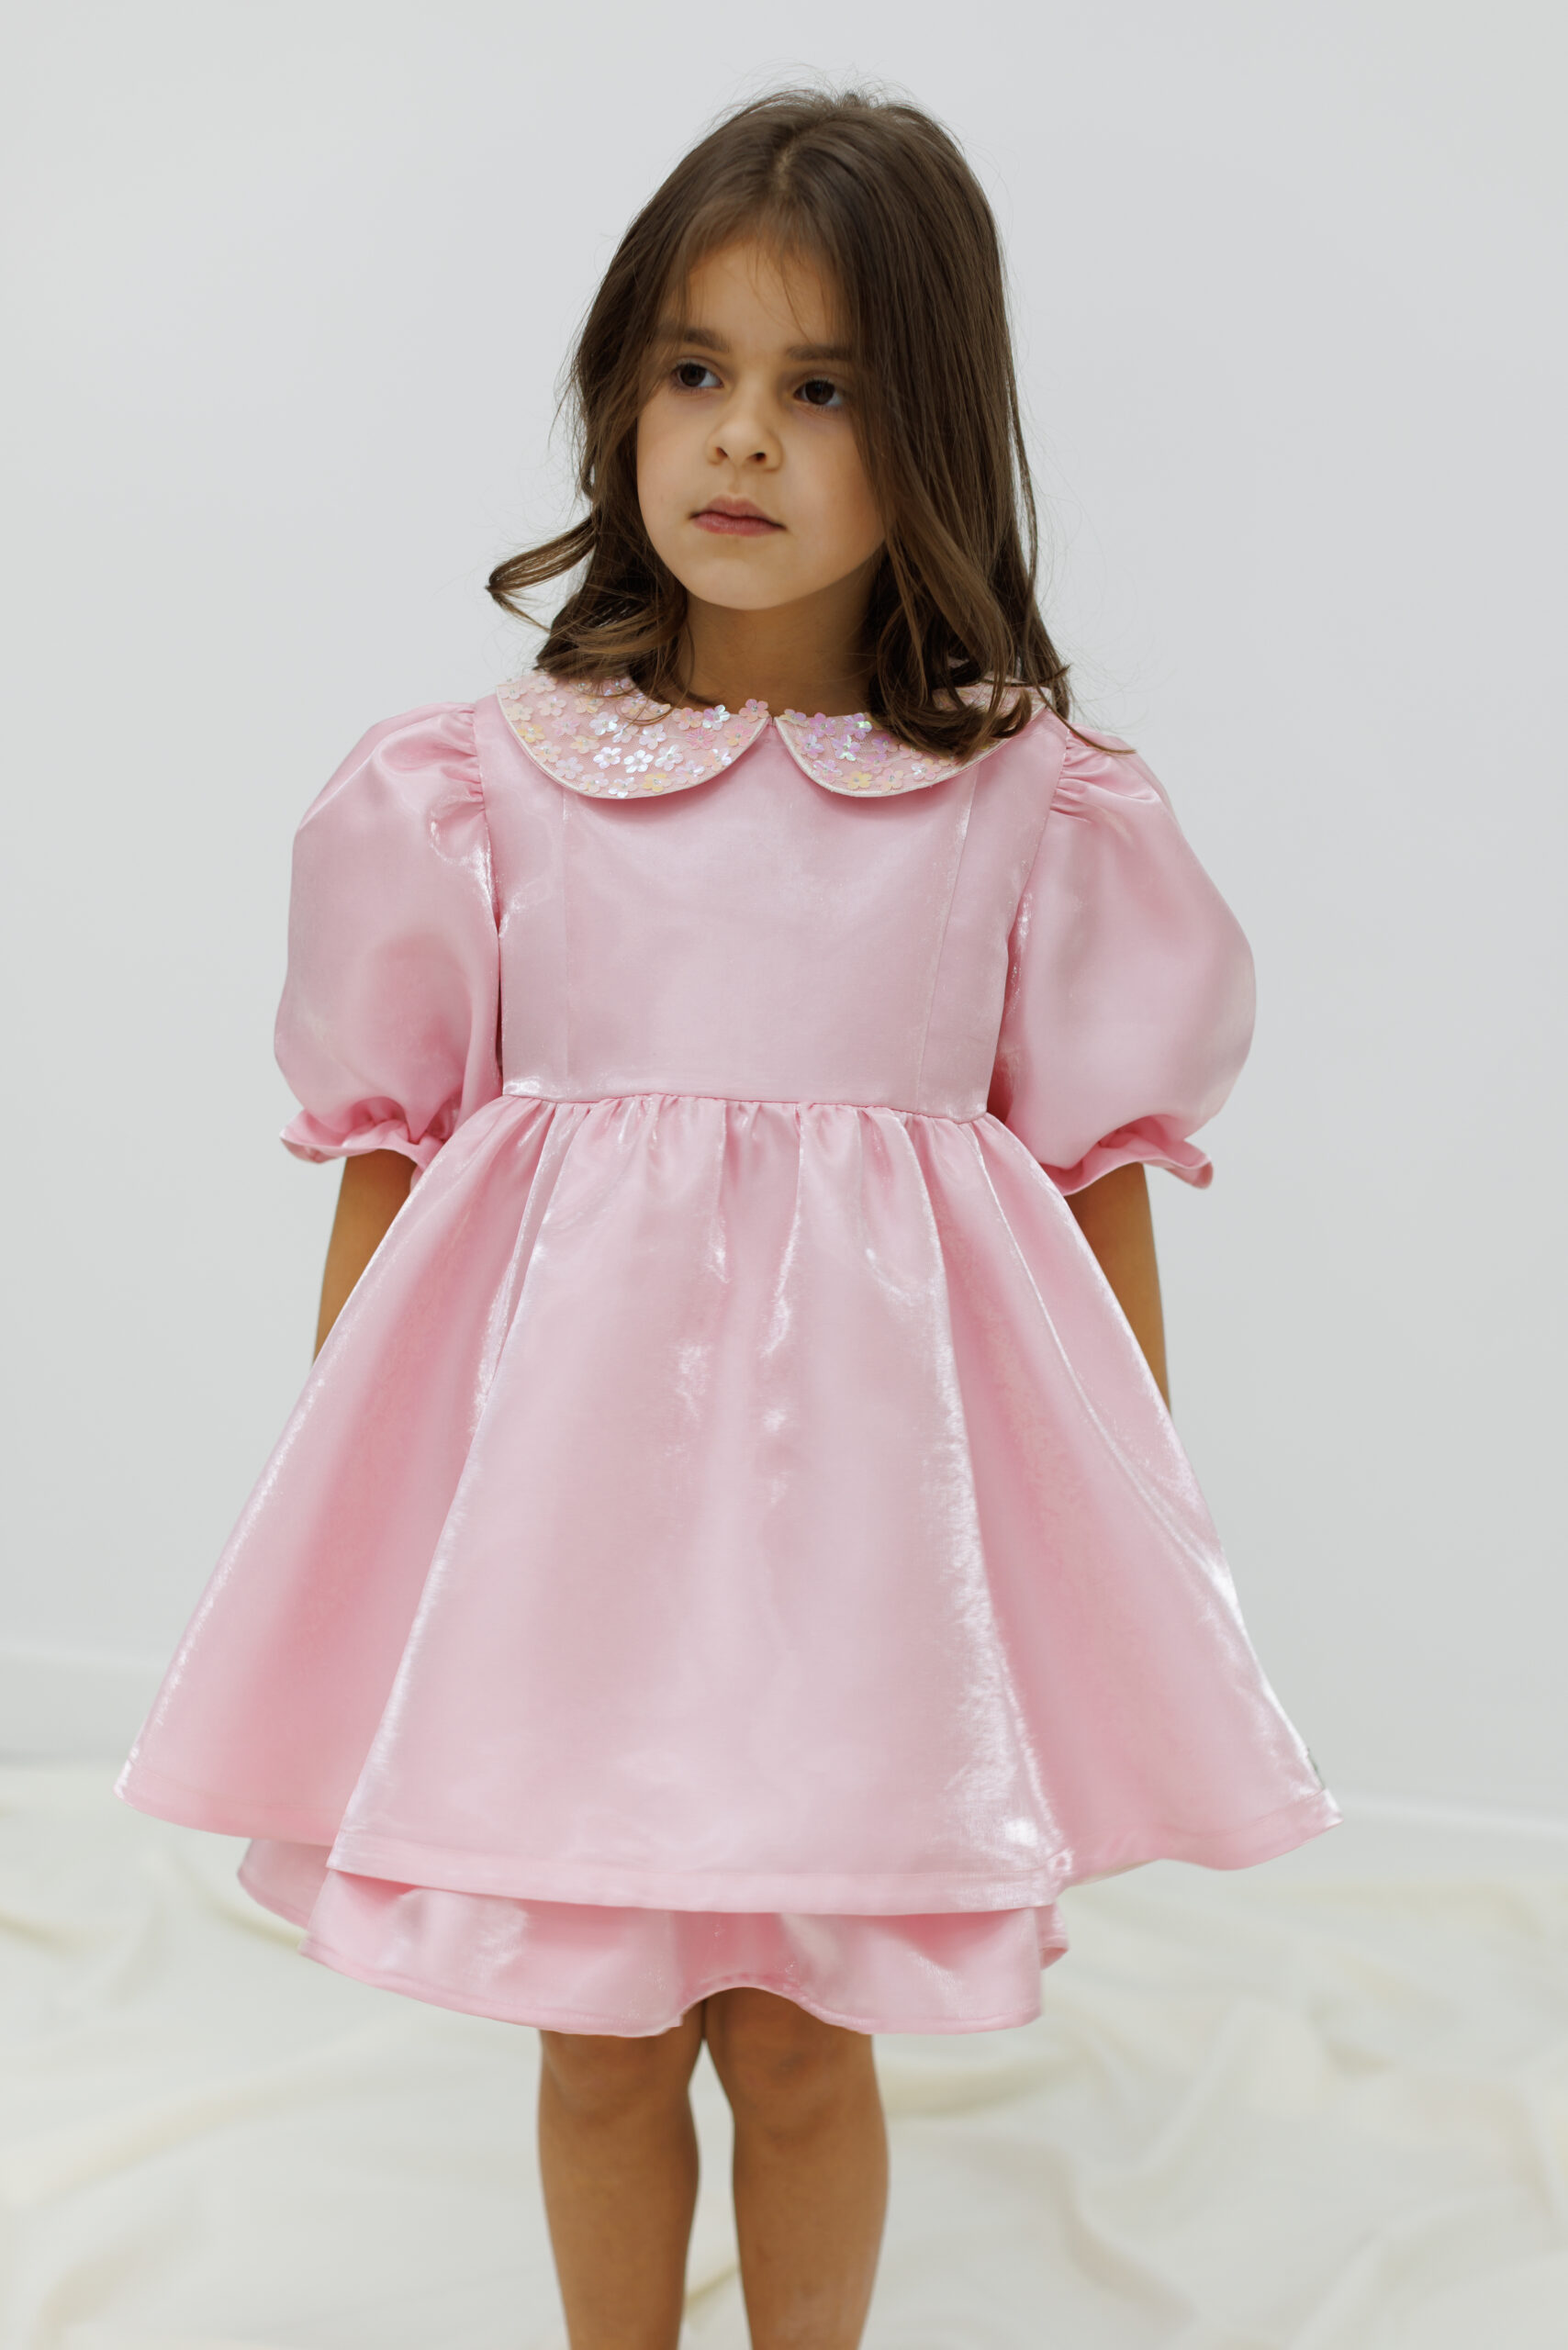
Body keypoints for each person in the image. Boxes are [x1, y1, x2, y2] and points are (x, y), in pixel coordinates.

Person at [116, 86, 1338, 2350]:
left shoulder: (1017, 807)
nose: (742, 436)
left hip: (855, 1556)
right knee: (598, 2035)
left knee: (792, 2035)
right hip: (564, 1536)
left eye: (821, 388)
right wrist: (359, 1525)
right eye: (694, 368)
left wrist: (1124, 1546)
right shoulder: (482, 789)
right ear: (620, 396)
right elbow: (392, 1158)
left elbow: (1086, 1202)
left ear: (932, 433)